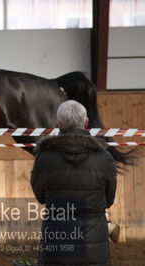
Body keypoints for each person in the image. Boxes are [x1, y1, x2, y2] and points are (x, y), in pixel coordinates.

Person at [30, 100, 117, 265]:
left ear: (59, 124)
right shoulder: (105, 157)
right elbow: (109, 200)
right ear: (86, 123)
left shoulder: (44, 156)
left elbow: (41, 197)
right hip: (93, 249)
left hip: (56, 247)